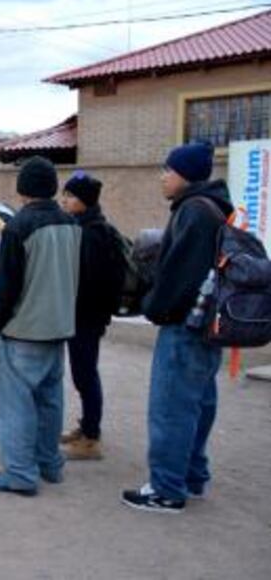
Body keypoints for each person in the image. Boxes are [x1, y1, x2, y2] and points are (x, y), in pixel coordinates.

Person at [122, 142, 231, 514]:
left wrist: (152, 307)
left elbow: (177, 279)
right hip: (206, 326)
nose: (162, 177)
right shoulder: (215, 207)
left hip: (185, 328)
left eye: (167, 170)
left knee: (172, 407)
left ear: (184, 175)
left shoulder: (193, 214)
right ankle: (193, 476)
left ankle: (167, 489)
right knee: (199, 403)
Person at [0, 156, 81, 496]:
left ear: (21, 188)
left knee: (15, 405)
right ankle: (49, 464)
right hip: (58, 327)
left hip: (23, 329)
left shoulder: (17, 227)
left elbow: (7, 284)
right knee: (50, 401)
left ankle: (20, 474)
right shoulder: (71, 223)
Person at [59, 172, 123, 461]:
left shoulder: (93, 233)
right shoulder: (88, 227)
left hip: (86, 316)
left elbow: (89, 280)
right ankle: (87, 427)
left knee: (85, 374)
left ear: (84, 200)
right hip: (86, 315)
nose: (65, 200)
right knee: (83, 372)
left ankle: (91, 438)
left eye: (71, 196)